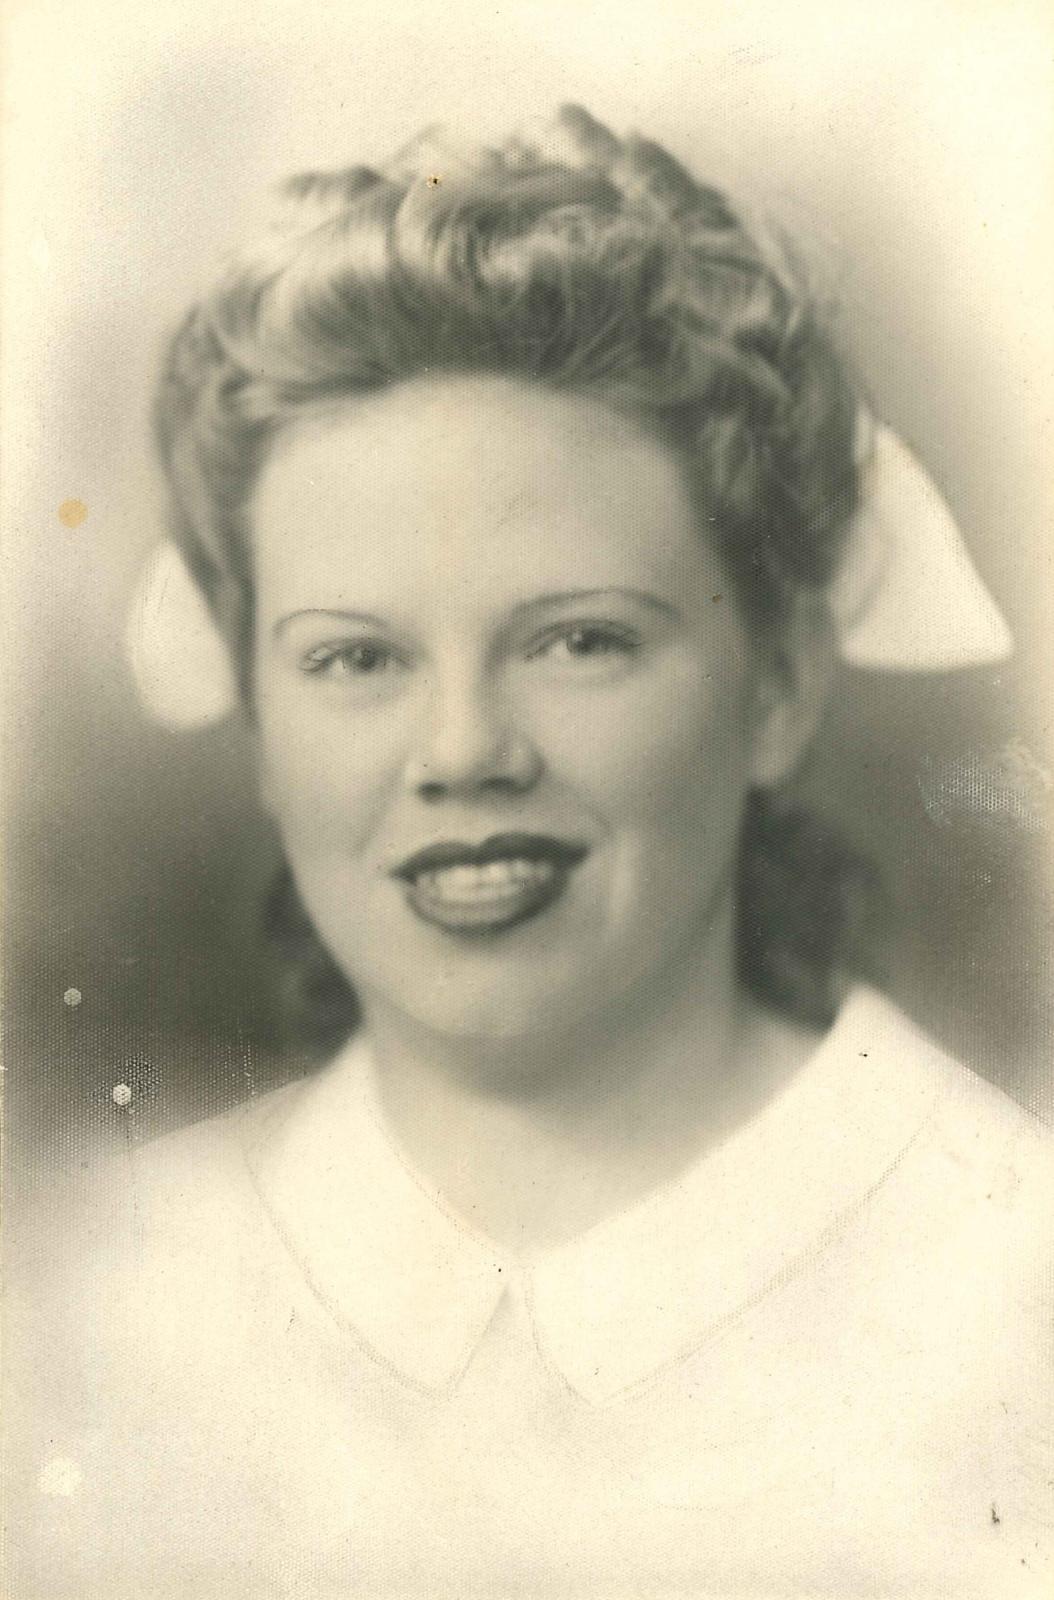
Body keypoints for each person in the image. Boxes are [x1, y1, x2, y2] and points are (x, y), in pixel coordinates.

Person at [8, 105, 1050, 1600]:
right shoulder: (73, 1297)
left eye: (577, 638)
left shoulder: (1017, 1287)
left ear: (776, 687)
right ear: (251, 708)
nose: (459, 750)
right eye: (353, 659)